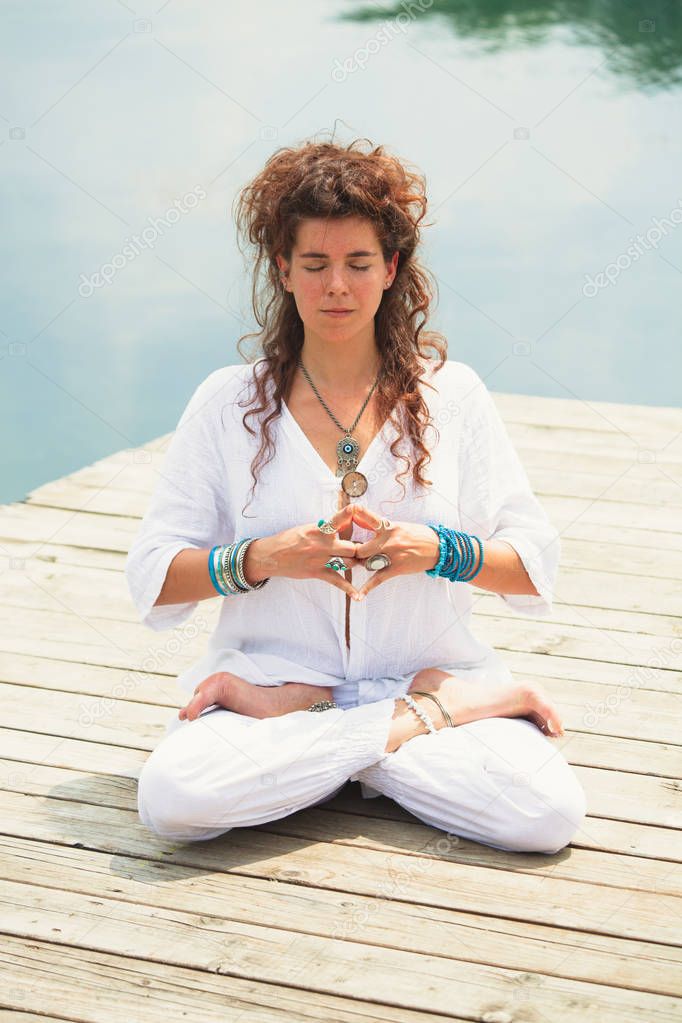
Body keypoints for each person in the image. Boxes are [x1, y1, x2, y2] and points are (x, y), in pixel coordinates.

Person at [126, 137, 587, 854]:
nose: (336, 285)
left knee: (546, 813)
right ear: (282, 269)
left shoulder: (452, 397)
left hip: (316, 707)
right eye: (314, 264)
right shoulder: (226, 403)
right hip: (296, 689)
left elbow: (532, 565)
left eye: (358, 263)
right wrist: (260, 557)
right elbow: (154, 578)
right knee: (173, 799)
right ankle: (426, 720)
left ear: (391, 268)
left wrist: (441, 550)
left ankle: (326, 734)